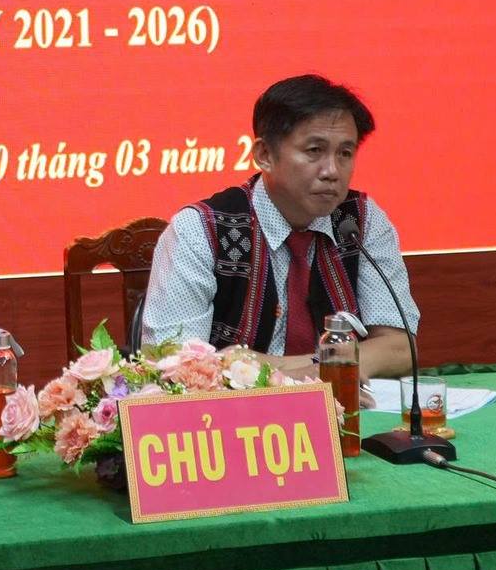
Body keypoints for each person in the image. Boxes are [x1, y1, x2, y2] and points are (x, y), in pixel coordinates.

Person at [141, 74, 418, 381]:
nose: (332, 171)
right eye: (314, 151)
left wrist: (299, 370)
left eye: (345, 153)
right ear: (265, 156)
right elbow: (174, 365)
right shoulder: (200, 230)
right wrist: (323, 372)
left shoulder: (360, 220)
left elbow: (400, 348)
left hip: (343, 404)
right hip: (234, 410)